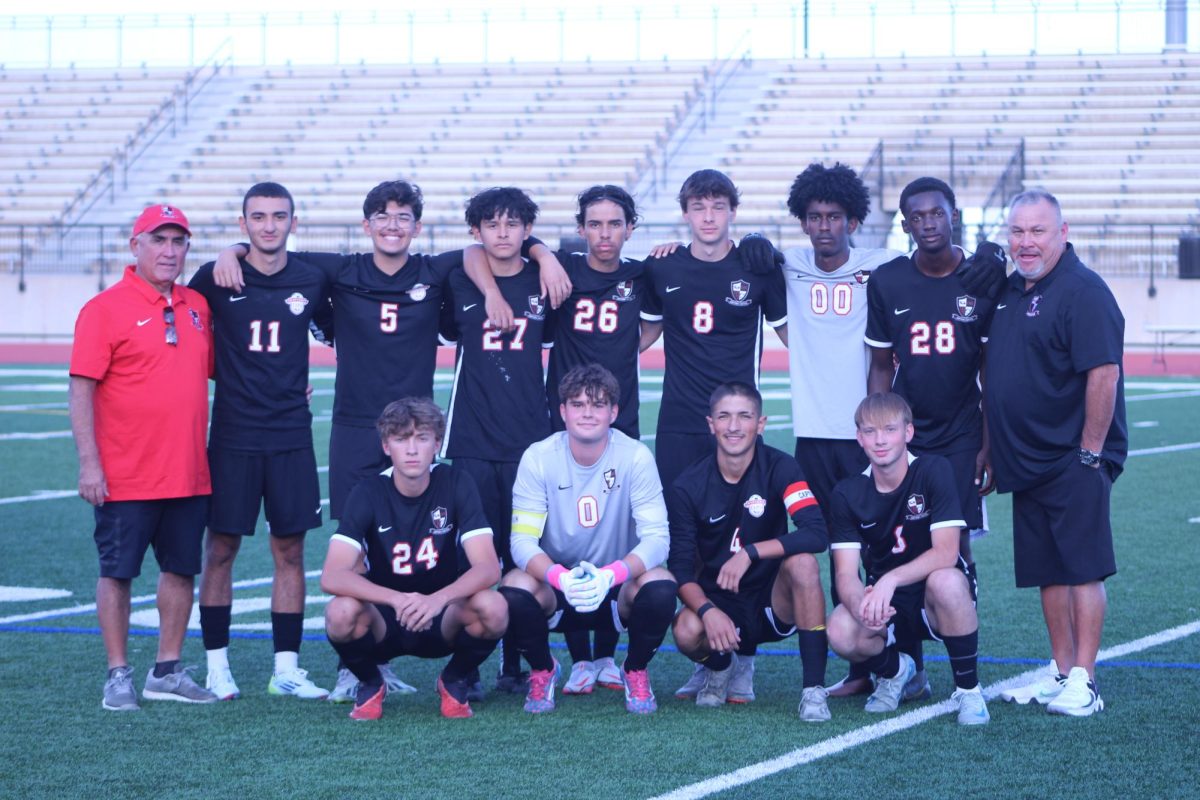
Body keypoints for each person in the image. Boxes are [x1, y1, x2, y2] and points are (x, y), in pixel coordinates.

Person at [212, 180, 568, 701]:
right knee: (359, 545)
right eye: (382, 216)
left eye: (403, 217)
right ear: (366, 225)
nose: (393, 225)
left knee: (415, 536)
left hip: (417, 427)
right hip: (356, 427)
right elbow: (273, 248)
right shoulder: (342, 270)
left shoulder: (432, 269)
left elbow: (478, 248)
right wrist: (232, 247)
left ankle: (434, 649)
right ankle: (352, 668)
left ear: (417, 227)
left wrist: (538, 255)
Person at [494, 185, 653, 692]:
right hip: (567, 418)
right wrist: (542, 252)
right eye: (595, 224)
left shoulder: (642, 275)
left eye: (615, 224)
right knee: (565, 534)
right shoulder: (561, 266)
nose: (605, 234)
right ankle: (577, 655)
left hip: (617, 421)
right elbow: (500, 246)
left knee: (613, 534)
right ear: (581, 228)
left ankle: (605, 655)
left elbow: (648, 328)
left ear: (630, 227)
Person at [69, 204, 217, 710]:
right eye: (159, 240)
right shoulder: (104, 308)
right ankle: (117, 673)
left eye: (178, 242)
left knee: (180, 571)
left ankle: (167, 669)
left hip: (188, 471)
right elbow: (81, 389)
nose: (170, 251)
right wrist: (90, 463)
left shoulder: (198, 303)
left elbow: (222, 369)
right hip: (125, 474)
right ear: (136, 246)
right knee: (118, 572)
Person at [188, 183, 331, 701]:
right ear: (242, 221)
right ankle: (216, 665)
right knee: (220, 548)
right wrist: (227, 254)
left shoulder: (312, 277)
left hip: (291, 430)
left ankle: (286, 669)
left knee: (290, 551)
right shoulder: (215, 275)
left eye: (279, 216)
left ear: (294, 221)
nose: (269, 226)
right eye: (258, 217)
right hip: (233, 432)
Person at [986, 189, 1126, 717]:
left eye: (1037, 231)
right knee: (1049, 570)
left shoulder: (1083, 291)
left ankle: (1085, 680)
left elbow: (1104, 373)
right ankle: (1061, 670)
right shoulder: (1011, 291)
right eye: (1017, 231)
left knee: (1082, 567)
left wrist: (1089, 453)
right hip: (1028, 460)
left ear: (1062, 233)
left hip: (1074, 457)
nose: (1026, 242)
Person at [864, 176, 1004, 697]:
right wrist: (879, 430)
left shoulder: (980, 276)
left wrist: (990, 442)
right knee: (894, 547)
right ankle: (910, 669)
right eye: (917, 216)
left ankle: (964, 672)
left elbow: (990, 369)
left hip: (963, 433)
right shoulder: (889, 280)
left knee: (954, 548)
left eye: (936, 214)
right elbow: (880, 364)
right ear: (905, 225)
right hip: (907, 435)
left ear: (953, 218)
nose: (928, 223)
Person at [775, 162, 902, 700]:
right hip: (813, 434)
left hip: (866, 436)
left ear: (852, 219)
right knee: (834, 550)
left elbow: (939, 260)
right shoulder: (787, 264)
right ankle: (857, 665)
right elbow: (729, 255)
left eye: (834, 216)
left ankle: (901, 659)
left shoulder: (883, 263)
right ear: (802, 222)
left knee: (881, 552)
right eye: (814, 217)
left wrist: (980, 252)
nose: (824, 226)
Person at [500, 364, 677, 714]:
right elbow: (522, 543)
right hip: (559, 586)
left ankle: (635, 669)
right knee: (515, 586)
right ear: (562, 410)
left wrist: (612, 574)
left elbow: (658, 539)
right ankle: (543, 669)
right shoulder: (539, 457)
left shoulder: (635, 457)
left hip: (616, 587)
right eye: (578, 404)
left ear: (613, 412)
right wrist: (560, 578)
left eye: (597, 405)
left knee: (660, 584)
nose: (587, 413)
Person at [320, 397, 506, 720]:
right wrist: (397, 599)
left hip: (442, 614)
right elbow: (332, 576)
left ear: (436, 443)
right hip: (385, 618)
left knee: (494, 607)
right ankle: (370, 682)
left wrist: (437, 600)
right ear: (385, 445)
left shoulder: (456, 482)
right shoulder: (367, 492)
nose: (411, 449)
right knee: (339, 612)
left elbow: (489, 567)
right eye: (401, 439)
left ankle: (454, 679)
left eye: (421, 438)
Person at [441, 186, 554, 691]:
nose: (503, 233)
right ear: (477, 231)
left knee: (523, 553)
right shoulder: (459, 276)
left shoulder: (543, 277)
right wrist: (489, 291)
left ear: (527, 229)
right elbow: (465, 258)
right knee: (473, 557)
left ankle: (521, 663)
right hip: (469, 437)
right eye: (492, 224)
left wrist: (545, 253)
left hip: (529, 439)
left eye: (513, 224)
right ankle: (468, 665)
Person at [668, 382, 831, 720]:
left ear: (761, 424)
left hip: (771, 603)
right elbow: (681, 569)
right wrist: (707, 611)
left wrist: (751, 552)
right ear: (711, 424)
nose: (733, 426)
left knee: (803, 564)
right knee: (685, 629)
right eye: (724, 416)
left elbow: (817, 534)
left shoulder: (781, 467)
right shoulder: (688, 485)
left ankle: (814, 691)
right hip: (720, 600)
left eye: (744, 416)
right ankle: (721, 665)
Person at [826, 393, 989, 726]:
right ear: (859, 438)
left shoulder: (933, 470)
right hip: (887, 602)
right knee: (840, 628)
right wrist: (863, 606)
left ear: (908, 433)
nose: (880, 440)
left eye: (889, 429)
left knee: (947, 581)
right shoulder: (847, 492)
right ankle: (899, 672)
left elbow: (946, 552)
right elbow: (845, 574)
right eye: (870, 432)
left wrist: (889, 579)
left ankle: (969, 690)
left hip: (933, 595)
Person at [640, 169, 788, 494]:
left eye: (718, 207)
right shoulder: (661, 267)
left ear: (733, 211)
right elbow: (645, 334)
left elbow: (793, 336)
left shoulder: (758, 268)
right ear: (685, 213)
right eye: (698, 207)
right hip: (679, 418)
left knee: (744, 520)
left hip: (738, 417)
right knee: (678, 520)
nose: (708, 217)